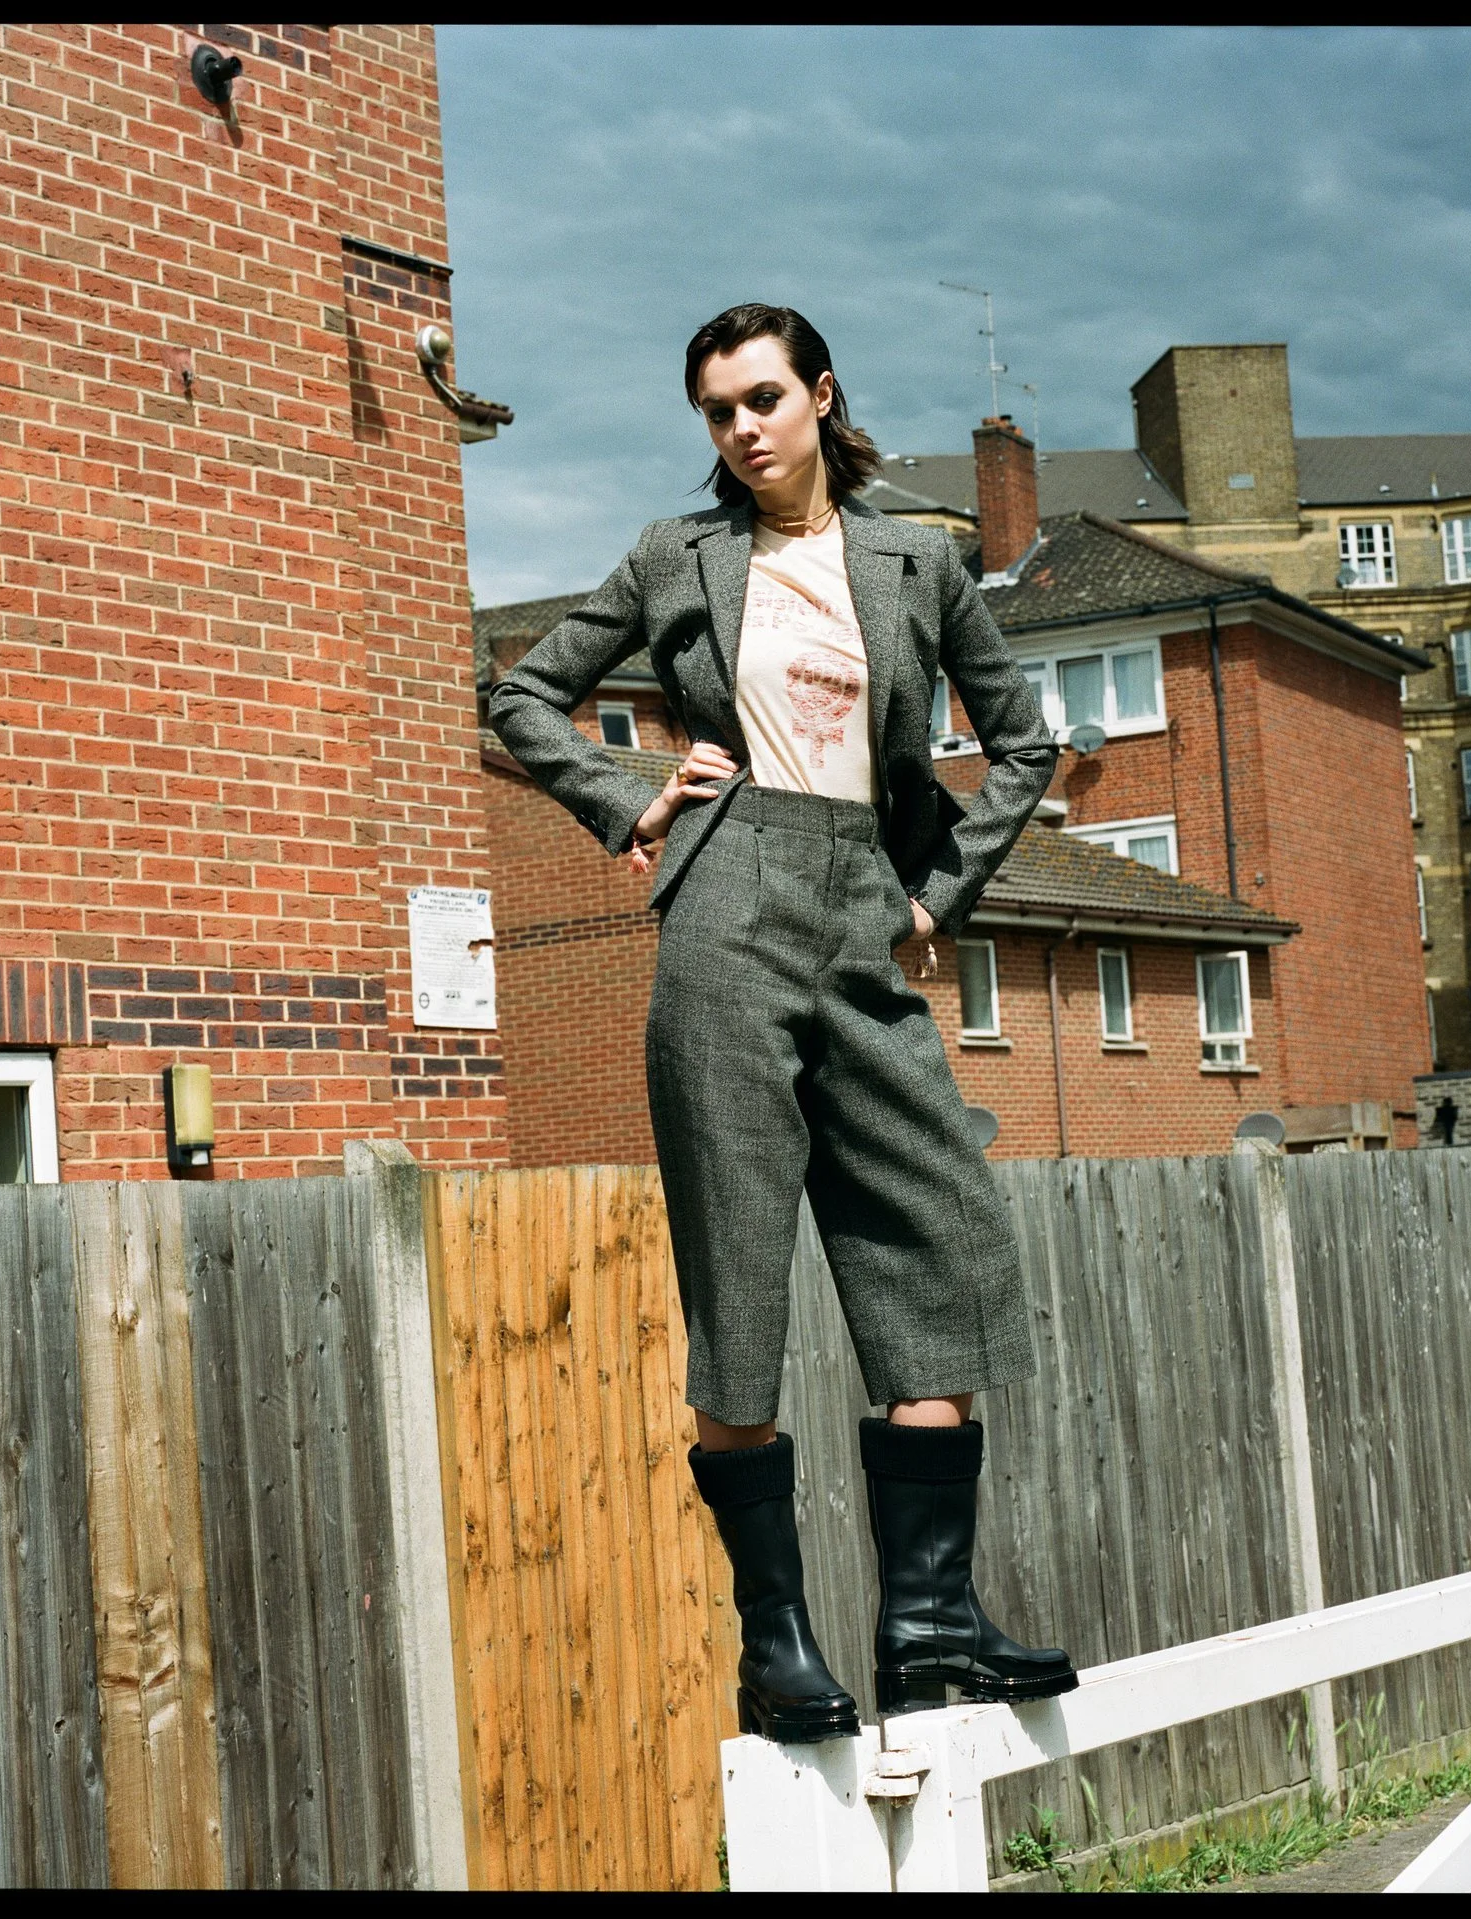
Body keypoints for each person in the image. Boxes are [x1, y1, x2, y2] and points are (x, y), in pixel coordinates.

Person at [487, 303, 1077, 1742]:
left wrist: (938, 893)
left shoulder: (917, 560)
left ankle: (931, 1621)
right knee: (739, 1291)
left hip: (866, 904)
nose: (740, 429)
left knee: (940, 1248)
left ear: (821, 397)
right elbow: (523, 690)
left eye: (761, 399)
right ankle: (780, 1647)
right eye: (714, 411)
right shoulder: (674, 557)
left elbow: (1024, 741)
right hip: (727, 908)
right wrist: (630, 799)